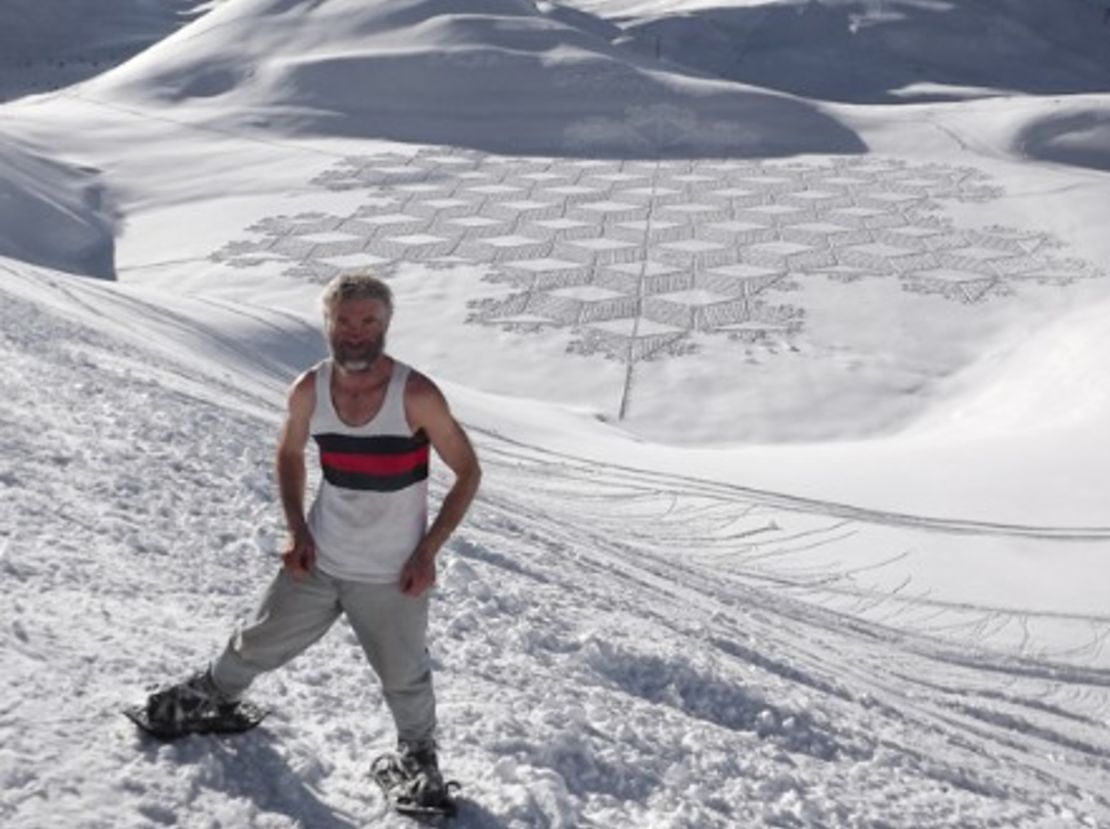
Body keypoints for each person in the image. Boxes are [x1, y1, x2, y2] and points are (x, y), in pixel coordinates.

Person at [144, 273, 481, 808]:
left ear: (386, 325)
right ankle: (213, 698)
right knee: (258, 636)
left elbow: (467, 471)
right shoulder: (309, 389)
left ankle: (419, 759)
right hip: (321, 556)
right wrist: (297, 530)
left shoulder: (415, 395)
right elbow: (289, 453)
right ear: (327, 323)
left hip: (392, 572)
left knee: (404, 675)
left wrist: (426, 552)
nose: (354, 332)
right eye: (343, 320)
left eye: (368, 320)